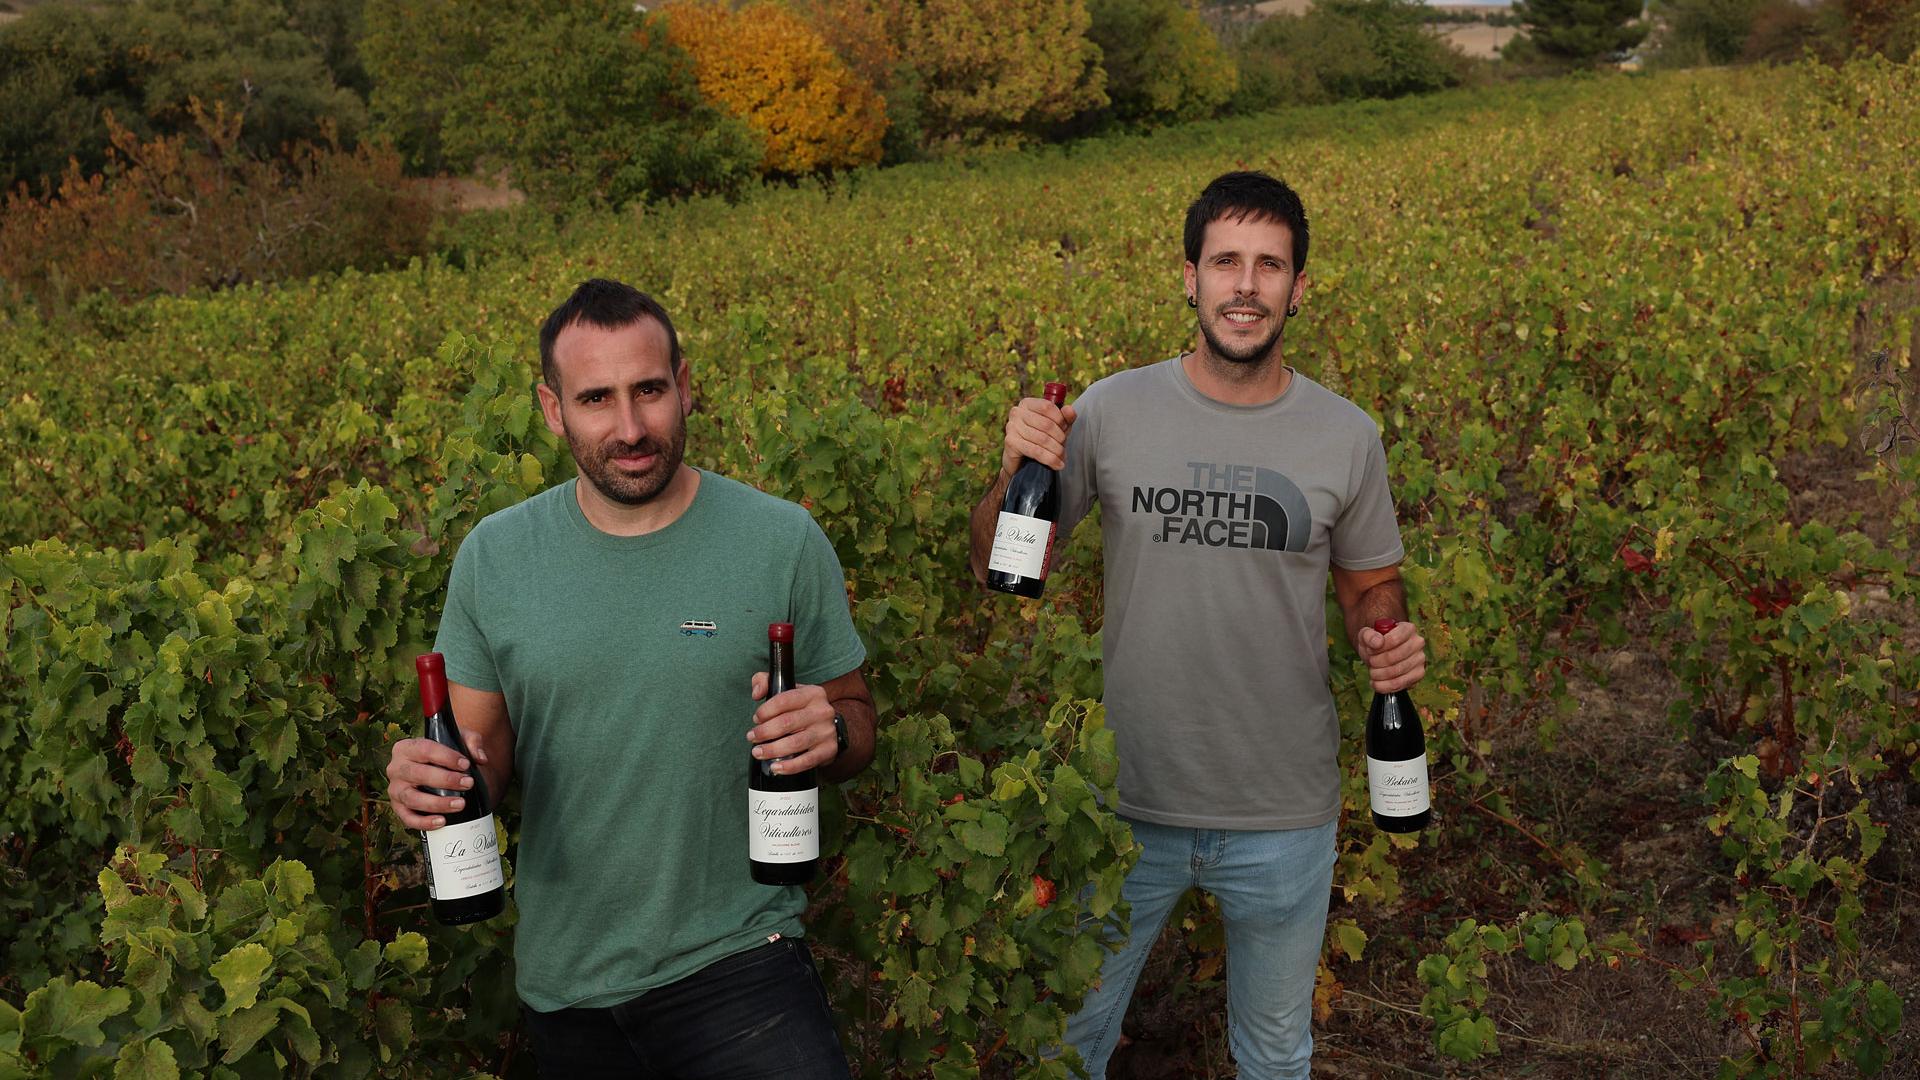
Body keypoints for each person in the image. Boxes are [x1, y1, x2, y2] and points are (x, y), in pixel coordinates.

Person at [968, 172, 1427, 1080]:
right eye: (1226, 262)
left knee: (1274, 1056)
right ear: (1189, 277)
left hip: (1283, 813)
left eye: (1269, 265)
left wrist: (1389, 635)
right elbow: (1005, 564)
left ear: (1298, 288)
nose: (1246, 285)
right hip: (1125, 804)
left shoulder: (1347, 436)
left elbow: (1373, 586)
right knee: (1071, 1046)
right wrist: (1013, 466)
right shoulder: (1109, 409)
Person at [385, 278, 876, 1079]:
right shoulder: (495, 558)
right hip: (568, 987)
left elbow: (857, 715)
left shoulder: (781, 541)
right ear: (553, 411)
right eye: (596, 399)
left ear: (685, 386)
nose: (631, 427)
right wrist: (434, 781)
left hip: (742, 964)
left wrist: (836, 731)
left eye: (649, 390)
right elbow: (484, 761)